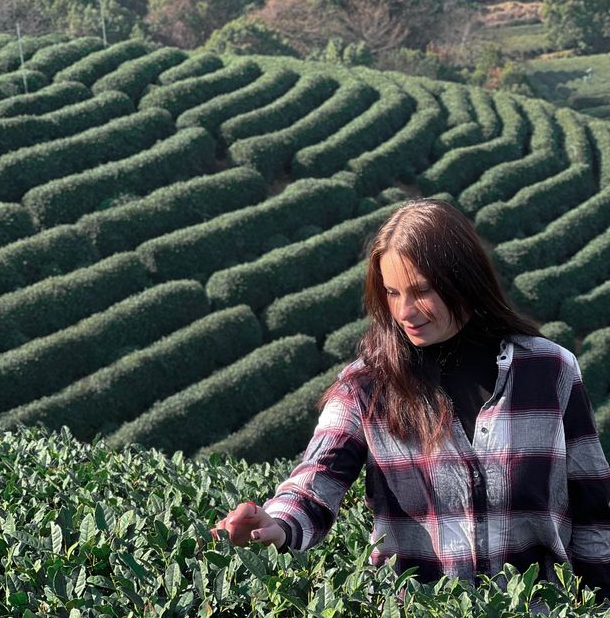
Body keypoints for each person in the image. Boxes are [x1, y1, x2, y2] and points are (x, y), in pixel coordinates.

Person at [211, 198, 610, 600]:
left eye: (420, 291)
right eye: (391, 292)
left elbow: (593, 505)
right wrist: (276, 525)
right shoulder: (366, 386)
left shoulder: (550, 369)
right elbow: (316, 480)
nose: (405, 311)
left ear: (464, 281)